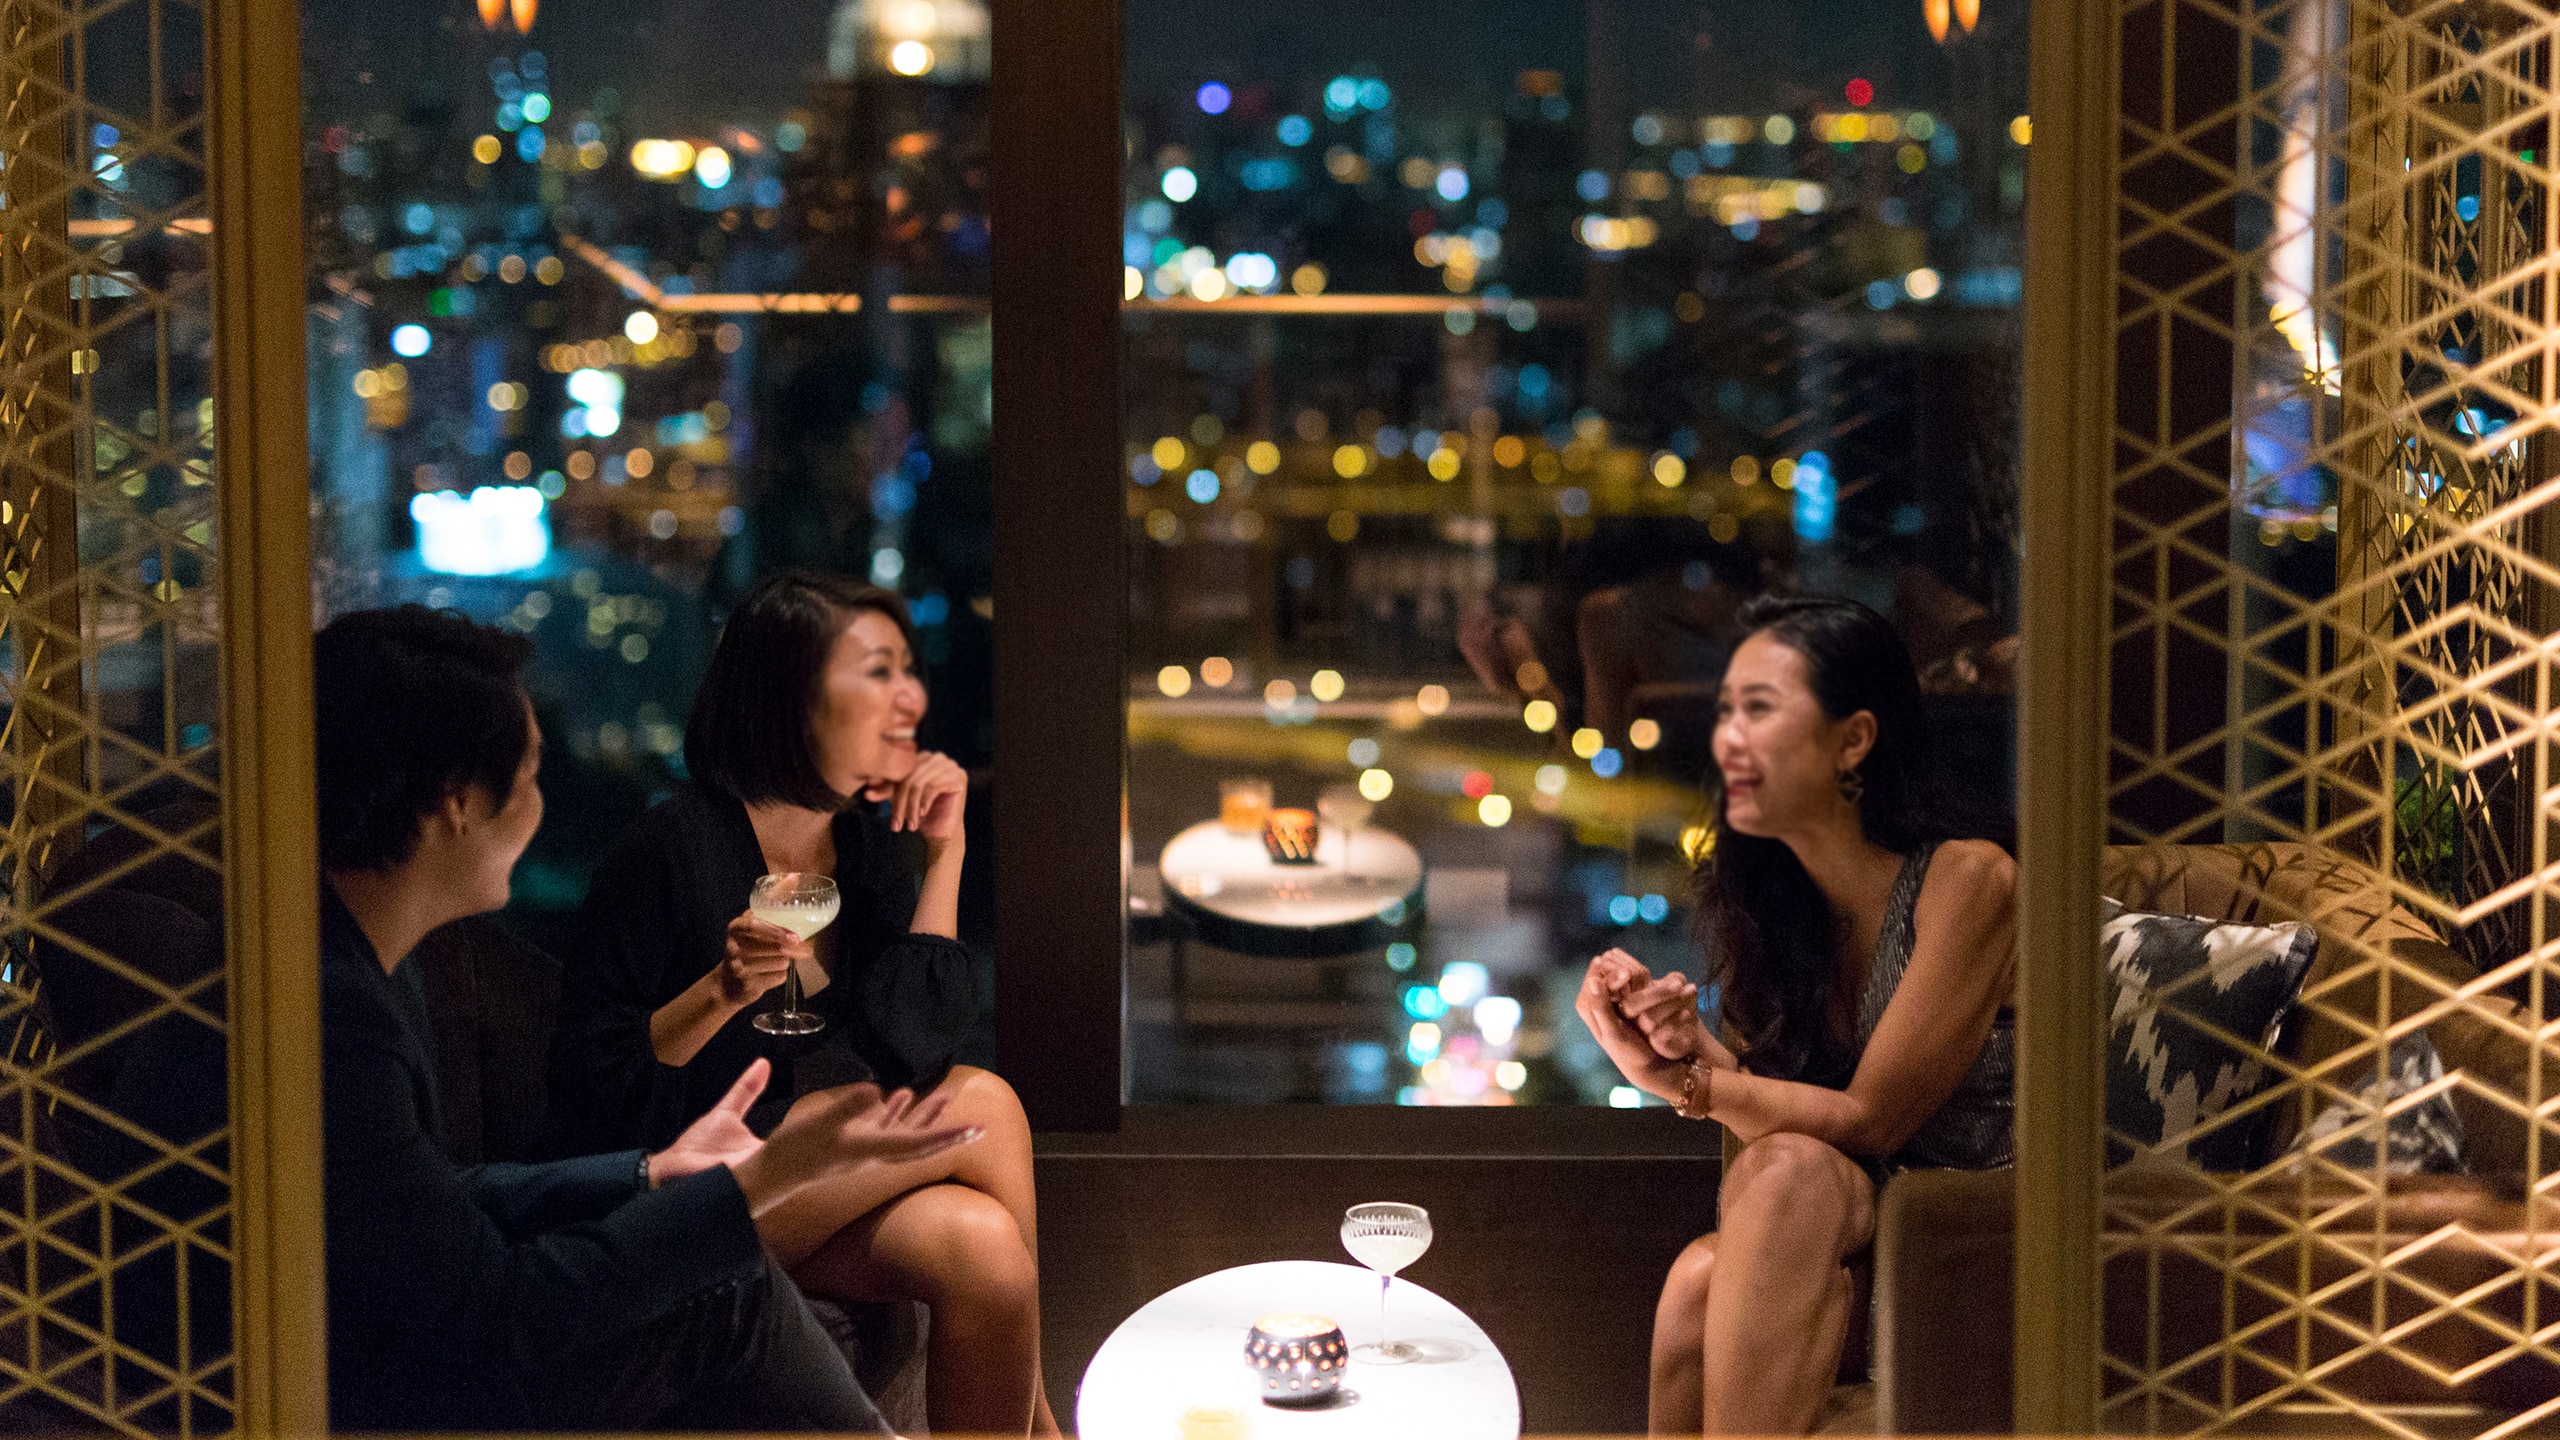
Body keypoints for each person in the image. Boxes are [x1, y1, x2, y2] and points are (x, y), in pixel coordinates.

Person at [310, 604, 980, 1432]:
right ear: (455, 803)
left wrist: (651, 1176)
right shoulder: (337, 1022)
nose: (541, 807)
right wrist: (753, 1178)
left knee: (961, 1228)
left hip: (446, 1319)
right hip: (371, 1392)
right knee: (742, 1276)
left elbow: (438, 1196)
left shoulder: (371, 963)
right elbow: (496, 1318)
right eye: (528, 778)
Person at [551, 570, 1057, 1437]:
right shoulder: (671, 848)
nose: (906, 699)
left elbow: (913, 1042)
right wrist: (720, 991)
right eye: (874, 674)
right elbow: (595, 1085)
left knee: (985, 1253)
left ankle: (1040, 1423)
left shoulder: (854, 842)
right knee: (987, 1103)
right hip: (667, 1196)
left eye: (905, 670)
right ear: (792, 699)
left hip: (792, 1183)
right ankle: (1050, 1430)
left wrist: (946, 856)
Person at [1572, 593, 2016, 1436]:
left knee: (1780, 1185)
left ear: (1854, 739)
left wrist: (1693, 1085)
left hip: (1984, 1238)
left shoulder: (1970, 881)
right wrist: (1673, 1050)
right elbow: (1770, 1130)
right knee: (1702, 1279)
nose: (1729, 739)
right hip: (1853, 1227)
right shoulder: (1775, 900)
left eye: (1762, 710)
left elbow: (1871, 1121)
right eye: (1727, 711)